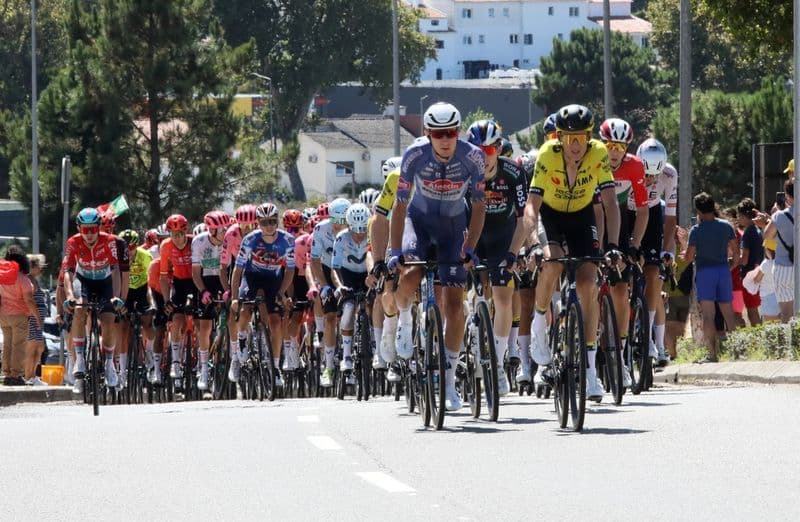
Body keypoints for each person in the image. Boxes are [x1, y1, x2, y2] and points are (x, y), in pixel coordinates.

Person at [389, 101, 487, 411]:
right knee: (411, 274)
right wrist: (394, 252)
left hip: (453, 226)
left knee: (455, 304)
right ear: (428, 134)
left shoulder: (473, 157)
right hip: (418, 222)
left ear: (459, 133)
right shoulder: (413, 156)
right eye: (438, 134)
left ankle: (448, 379)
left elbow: (480, 205)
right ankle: (405, 318)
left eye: (451, 133)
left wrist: (470, 246)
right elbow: (400, 206)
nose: (445, 140)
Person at [524, 103, 620, 403]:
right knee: (552, 264)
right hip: (551, 215)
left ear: (589, 136)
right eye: (569, 138)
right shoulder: (546, 154)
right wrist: (532, 245)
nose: (575, 144)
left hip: (581, 217)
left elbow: (609, 203)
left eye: (581, 137)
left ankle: (590, 372)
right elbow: (532, 206)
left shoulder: (599, 153)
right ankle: (539, 323)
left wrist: (613, 245)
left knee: (589, 283)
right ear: (559, 138)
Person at [467, 118, 527, 396]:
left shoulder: (514, 173)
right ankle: (469, 327)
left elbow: (525, 217)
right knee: (467, 292)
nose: (485, 158)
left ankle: (498, 364)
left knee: (503, 298)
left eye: (490, 151)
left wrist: (517, 251)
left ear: (499, 149)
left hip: (503, 237)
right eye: (478, 152)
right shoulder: (463, 174)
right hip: (473, 237)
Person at [598, 117, 648, 380]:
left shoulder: (635, 166)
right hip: (593, 219)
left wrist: (635, 245)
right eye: (610, 145)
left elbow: (642, 210)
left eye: (620, 146)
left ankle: (621, 353)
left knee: (621, 291)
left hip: (622, 220)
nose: (614, 151)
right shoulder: (593, 159)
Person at [230, 203, 295, 388]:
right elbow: (238, 270)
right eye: (265, 222)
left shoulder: (288, 240)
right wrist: (235, 297)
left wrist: (282, 292)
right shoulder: (250, 239)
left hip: (273, 279)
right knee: (245, 309)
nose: (269, 226)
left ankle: (275, 367)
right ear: (258, 223)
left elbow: (289, 270)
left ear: (277, 222)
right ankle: (242, 338)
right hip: (252, 277)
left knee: (275, 323)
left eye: (272, 221)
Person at [62, 208, 125, 390]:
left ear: (98, 228)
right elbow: (68, 272)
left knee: (108, 320)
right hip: (84, 281)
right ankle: (80, 359)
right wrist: (70, 297)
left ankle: (109, 364)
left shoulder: (109, 241)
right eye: (85, 229)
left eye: (92, 229)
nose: (89, 234)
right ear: (79, 228)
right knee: (80, 309)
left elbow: (115, 270)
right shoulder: (73, 242)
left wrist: (116, 297)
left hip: (105, 281)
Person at [636, 138, 678, 367]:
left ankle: (649, 337)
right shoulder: (630, 167)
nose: (651, 180)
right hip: (628, 214)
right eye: (646, 175)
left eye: (655, 175)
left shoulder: (670, 175)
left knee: (653, 274)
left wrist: (666, 249)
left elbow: (670, 217)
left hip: (651, 216)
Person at [683, 192, 739, 362]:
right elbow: (736, 252)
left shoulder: (696, 230)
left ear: (698, 211)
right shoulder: (726, 226)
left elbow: (690, 257)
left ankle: (712, 354)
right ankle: (737, 352)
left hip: (705, 272)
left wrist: (685, 253)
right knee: (729, 313)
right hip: (723, 270)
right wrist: (731, 266)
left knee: (708, 315)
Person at [310, 198, 352, 388]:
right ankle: (328, 367)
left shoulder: (356, 227)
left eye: (343, 221)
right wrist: (324, 285)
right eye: (335, 221)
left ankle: (353, 355)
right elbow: (315, 260)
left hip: (349, 268)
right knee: (329, 317)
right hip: (327, 269)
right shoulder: (321, 229)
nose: (339, 226)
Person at [191, 210, 230, 391]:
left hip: (225, 280)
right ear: (212, 230)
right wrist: (203, 291)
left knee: (231, 319)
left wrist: (230, 290)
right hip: (206, 281)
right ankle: (205, 368)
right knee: (205, 327)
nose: (224, 231)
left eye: (225, 228)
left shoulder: (229, 239)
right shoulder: (199, 242)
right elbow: (195, 273)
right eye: (221, 229)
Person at [0, 247, 39, 386]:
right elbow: (29, 300)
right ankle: (16, 375)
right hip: (19, 316)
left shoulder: (2, 277)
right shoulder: (23, 279)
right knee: (18, 346)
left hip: (3, 316)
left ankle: (6, 374)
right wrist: (37, 317)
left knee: (7, 345)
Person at [759, 179, 795, 322]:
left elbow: (768, 236)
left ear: (787, 196)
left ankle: (791, 343)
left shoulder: (779, 216)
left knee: (786, 313)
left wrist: (767, 221)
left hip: (783, 267)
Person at [665, 227, 693, 360]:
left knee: (669, 327)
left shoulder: (665, 253)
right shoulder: (685, 251)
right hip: (685, 293)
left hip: (668, 294)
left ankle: (672, 355)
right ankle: (679, 354)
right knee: (682, 326)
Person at [736, 198, 763, 326]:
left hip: (748, 275)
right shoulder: (758, 230)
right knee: (754, 309)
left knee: (751, 311)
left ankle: (757, 339)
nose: (738, 218)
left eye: (739, 215)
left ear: (744, 216)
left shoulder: (748, 233)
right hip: (757, 272)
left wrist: (733, 262)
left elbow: (744, 259)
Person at [24, 254, 49, 385]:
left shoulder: (34, 280)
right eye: (39, 267)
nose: (40, 270)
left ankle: (32, 376)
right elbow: (29, 301)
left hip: (37, 319)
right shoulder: (28, 280)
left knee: (39, 348)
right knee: (32, 348)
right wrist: (37, 317)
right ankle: (28, 376)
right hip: (33, 318)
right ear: (32, 267)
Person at [742, 239, 780, 323]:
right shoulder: (781, 262)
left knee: (770, 325)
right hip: (780, 296)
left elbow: (757, 279)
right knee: (779, 325)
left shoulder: (766, 263)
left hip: (767, 297)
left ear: (767, 250)